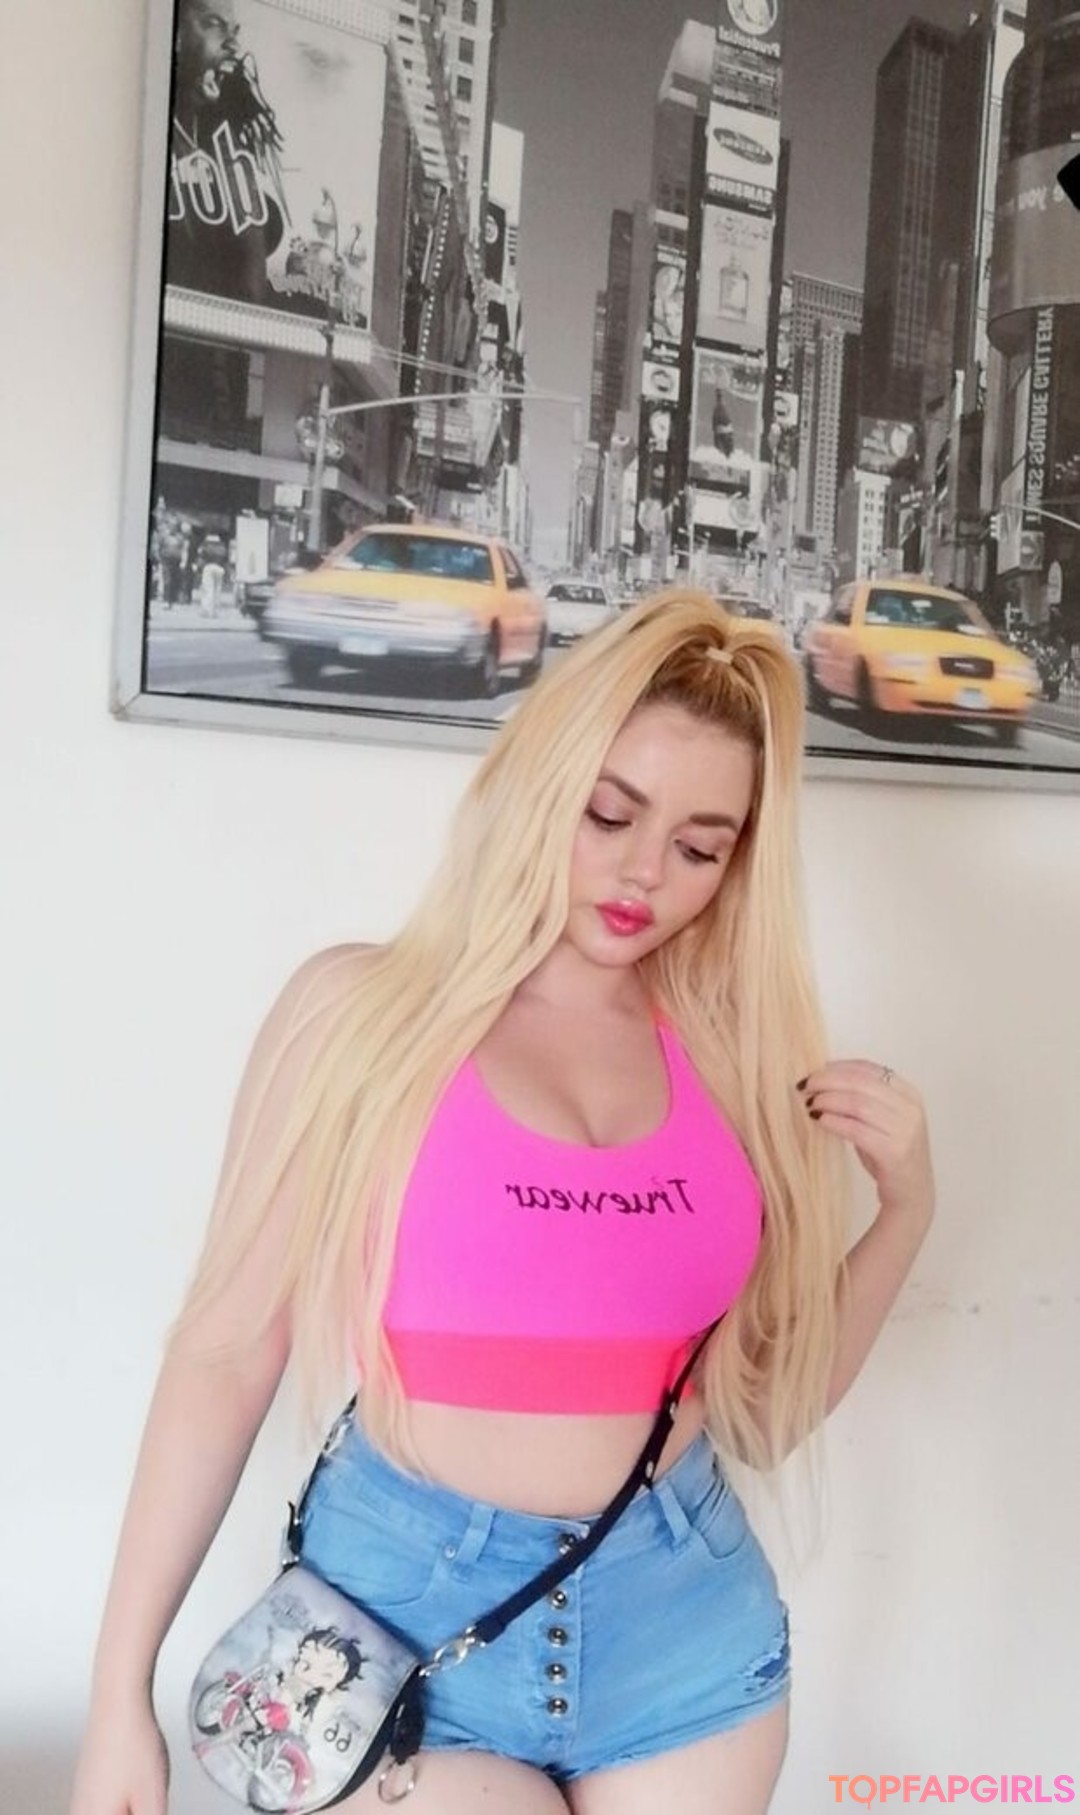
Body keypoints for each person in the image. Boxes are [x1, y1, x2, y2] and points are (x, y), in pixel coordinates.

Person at [70, 591, 934, 1815]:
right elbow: (224, 1350)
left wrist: (905, 1213)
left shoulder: (731, 1060)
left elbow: (765, 1413)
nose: (645, 873)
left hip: (680, 1633)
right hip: (399, 1637)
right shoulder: (358, 1016)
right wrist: (120, 1691)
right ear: (541, 781)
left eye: (700, 847)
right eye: (610, 814)